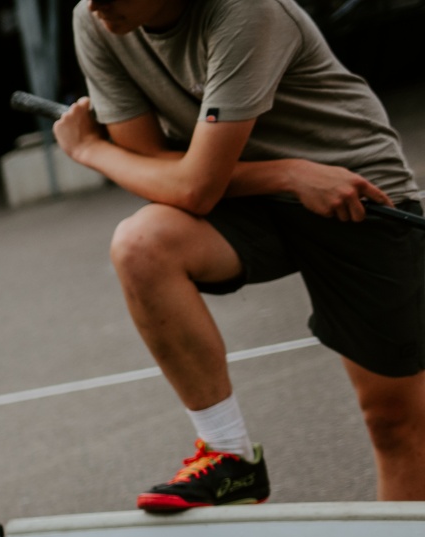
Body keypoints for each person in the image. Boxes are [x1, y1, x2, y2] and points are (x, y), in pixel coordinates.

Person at [60, 0, 424, 507]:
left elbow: (190, 186)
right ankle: (229, 455)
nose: (95, 1)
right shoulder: (97, 19)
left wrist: (90, 150)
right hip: (245, 195)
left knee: (395, 422)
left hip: (350, 189)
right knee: (141, 245)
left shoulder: (246, 8)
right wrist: (287, 174)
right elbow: (155, 166)